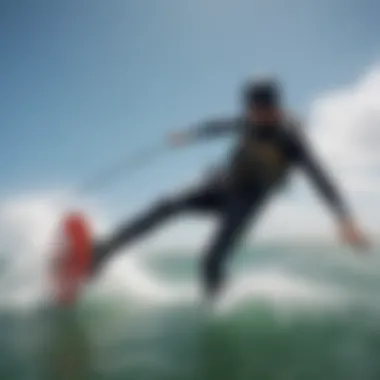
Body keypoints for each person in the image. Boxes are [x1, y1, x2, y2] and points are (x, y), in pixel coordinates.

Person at [91, 77, 369, 300]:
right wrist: (189, 134)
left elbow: (319, 175)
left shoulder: (290, 138)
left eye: (264, 110)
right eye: (253, 110)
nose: (258, 116)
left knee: (209, 261)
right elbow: (218, 126)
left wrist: (344, 218)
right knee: (165, 206)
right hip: (222, 186)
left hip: (247, 200)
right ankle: (102, 252)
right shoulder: (246, 121)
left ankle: (216, 304)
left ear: (276, 107)